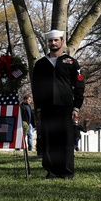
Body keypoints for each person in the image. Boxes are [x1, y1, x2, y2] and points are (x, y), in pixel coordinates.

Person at [31, 29, 85, 179]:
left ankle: (67, 172)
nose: (53, 43)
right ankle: (51, 172)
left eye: (56, 40)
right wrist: (39, 108)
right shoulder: (41, 64)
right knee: (49, 140)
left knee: (66, 140)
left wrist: (76, 106)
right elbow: (36, 88)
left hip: (66, 107)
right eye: (50, 41)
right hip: (47, 108)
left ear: (62, 41)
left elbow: (80, 85)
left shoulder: (71, 62)